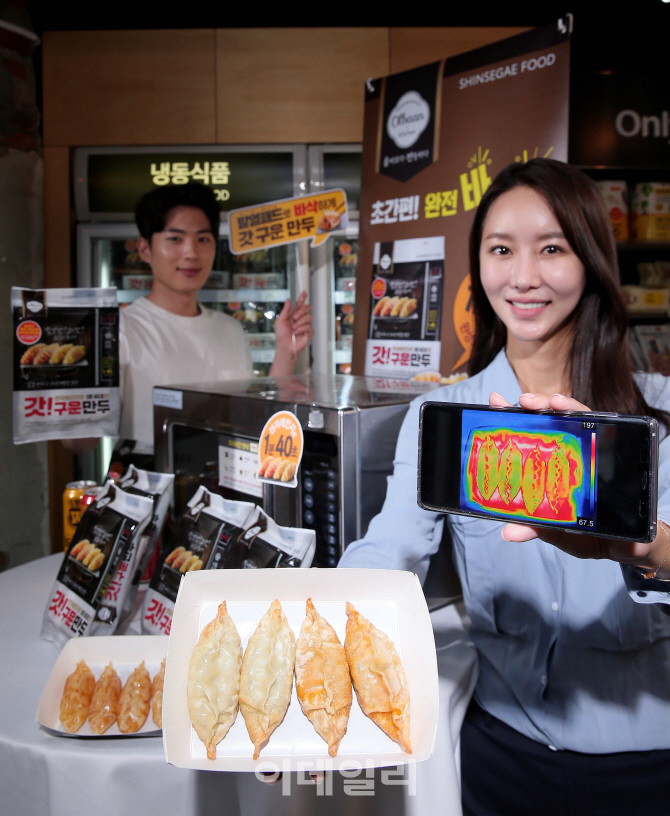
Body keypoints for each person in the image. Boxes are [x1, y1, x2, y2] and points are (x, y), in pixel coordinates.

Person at [339, 158, 670, 814]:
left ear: (592, 262)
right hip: (503, 758)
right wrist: (303, 627)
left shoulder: (655, 416)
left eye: (551, 249)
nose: (522, 277)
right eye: (500, 250)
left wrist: (634, 544)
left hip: (648, 764)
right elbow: (390, 550)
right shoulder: (444, 420)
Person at [64, 183, 312, 461]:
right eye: (175, 239)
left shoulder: (230, 329)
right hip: (148, 484)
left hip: (224, 483)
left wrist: (286, 353)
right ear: (145, 249)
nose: (191, 253)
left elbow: (250, 421)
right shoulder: (117, 331)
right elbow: (79, 443)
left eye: (203, 239)